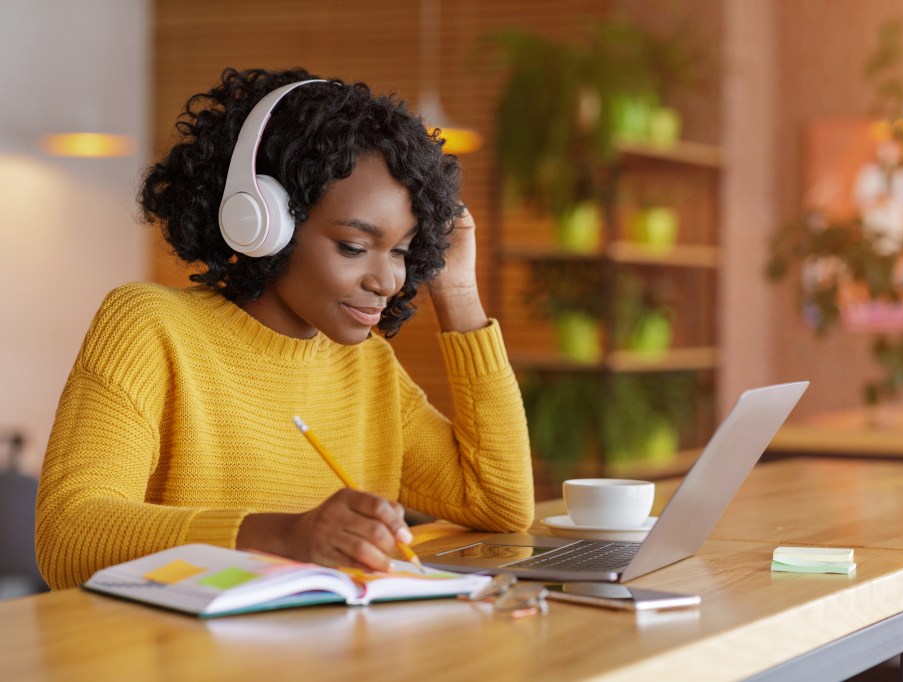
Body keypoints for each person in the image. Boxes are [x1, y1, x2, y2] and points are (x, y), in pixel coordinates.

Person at [35, 67, 534, 590]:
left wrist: (456, 292)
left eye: (404, 252)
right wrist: (281, 537)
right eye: (354, 247)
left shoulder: (367, 365)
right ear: (263, 222)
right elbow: (69, 536)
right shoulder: (149, 327)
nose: (387, 280)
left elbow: (500, 503)